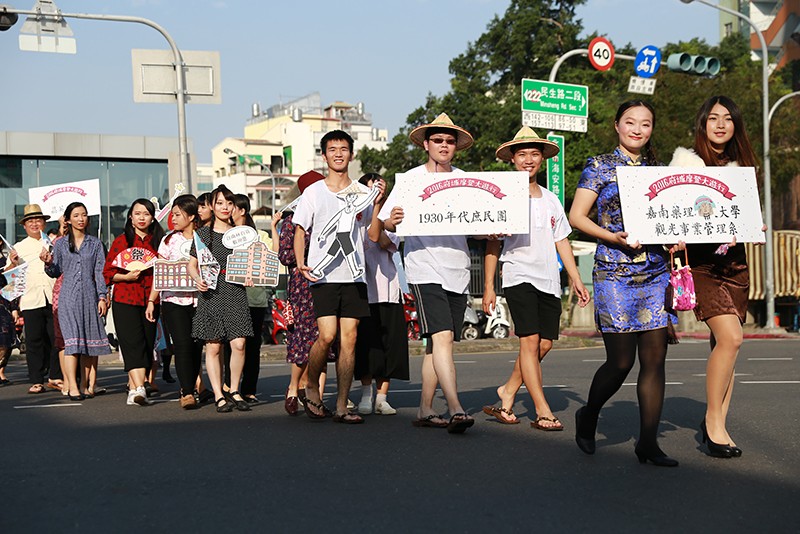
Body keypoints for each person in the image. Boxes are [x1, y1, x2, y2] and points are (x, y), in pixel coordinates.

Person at [568, 100, 679, 467]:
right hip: (614, 271)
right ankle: (589, 414)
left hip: (655, 271)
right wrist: (611, 237)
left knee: (655, 361)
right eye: (630, 122)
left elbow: (668, 219)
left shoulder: (659, 171)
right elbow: (577, 216)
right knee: (620, 362)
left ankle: (648, 443)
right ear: (617, 125)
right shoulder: (599, 166)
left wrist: (675, 238)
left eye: (645, 124)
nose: (637, 129)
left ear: (651, 129)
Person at [481, 127, 590, 429]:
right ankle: (543, 410)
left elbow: (562, 241)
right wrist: (489, 286)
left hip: (548, 278)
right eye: (522, 154)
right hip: (517, 273)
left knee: (544, 345)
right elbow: (492, 243)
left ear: (542, 158)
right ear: (512, 159)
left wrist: (576, 279)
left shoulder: (552, 200)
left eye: (534, 154)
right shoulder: (502, 198)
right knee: (528, 342)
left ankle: (507, 392)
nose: (528, 159)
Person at [669, 95, 758, 459]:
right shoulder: (684, 162)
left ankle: (719, 422)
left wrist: (753, 224)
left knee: (725, 347)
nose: (720, 124)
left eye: (728, 119)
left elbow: (746, 212)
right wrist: (674, 237)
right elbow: (666, 211)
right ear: (702, 123)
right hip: (703, 265)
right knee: (732, 339)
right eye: (713, 118)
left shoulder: (742, 167)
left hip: (735, 264)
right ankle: (713, 423)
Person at [379, 112, 476, 433]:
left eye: (450, 141)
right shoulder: (409, 181)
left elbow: (483, 222)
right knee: (443, 337)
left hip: (459, 270)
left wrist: (495, 229)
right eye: (438, 140)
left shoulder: (468, 181)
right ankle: (456, 408)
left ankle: (424, 407)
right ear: (426, 144)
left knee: (437, 344)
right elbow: (384, 230)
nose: (444, 145)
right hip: (424, 269)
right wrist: (390, 222)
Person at [292, 130, 384, 424]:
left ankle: (343, 405)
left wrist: (379, 205)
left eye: (344, 149)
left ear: (351, 155)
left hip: (355, 276)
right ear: (324, 155)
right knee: (327, 336)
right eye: (333, 149)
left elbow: (372, 232)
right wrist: (300, 262)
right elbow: (300, 230)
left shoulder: (361, 192)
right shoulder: (314, 192)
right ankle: (310, 385)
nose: (339, 154)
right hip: (323, 275)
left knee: (350, 339)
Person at [187, 184, 254, 413]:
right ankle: (218, 394)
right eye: (220, 203)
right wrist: (197, 279)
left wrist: (251, 275)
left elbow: (252, 262)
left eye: (229, 202)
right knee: (213, 347)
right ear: (212, 207)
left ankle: (234, 389)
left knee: (239, 343)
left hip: (235, 292)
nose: (225, 207)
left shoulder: (242, 232)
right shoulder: (203, 234)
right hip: (211, 293)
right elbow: (192, 264)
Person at [278, 171, 334, 416]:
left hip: (329, 281)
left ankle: (317, 399)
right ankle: (293, 388)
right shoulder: (292, 220)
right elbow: (285, 256)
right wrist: (308, 250)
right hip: (302, 285)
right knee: (303, 338)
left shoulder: (333, 214)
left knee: (325, 340)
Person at [41, 202, 110, 400]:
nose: (81, 219)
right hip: (67, 299)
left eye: (84, 215)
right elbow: (55, 271)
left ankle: (84, 384)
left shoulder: (95, 244)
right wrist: (47, 263)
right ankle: (71, 386)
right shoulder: (61, 244)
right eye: (77, 215)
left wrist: (102, 297)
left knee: (88, 344)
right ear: (68, 219)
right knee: (71, 343)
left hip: (90, 297)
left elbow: (99, 273)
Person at [355, 173, 409, 416]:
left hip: (387, 289)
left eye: (378, 190)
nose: (374, 193)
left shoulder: (392, 218)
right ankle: (365, 394)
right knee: (366, 346)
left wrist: (378, 209)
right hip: (362, 290)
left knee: (389, 346)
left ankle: (382, 397)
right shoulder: (352, 219)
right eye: (369, 189)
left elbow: (379, 239)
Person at [145, 194, 206, 410]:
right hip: (172, 300)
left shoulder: (204, 238)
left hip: (200, 301)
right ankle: (187, 391)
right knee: (181, 345)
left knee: (197, 345)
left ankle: (196, 385)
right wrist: (152, 300)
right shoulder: (168, 241)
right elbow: (158, 273)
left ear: (191, 216)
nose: (173, 218)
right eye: (173, 214)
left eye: (178, 214)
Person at [103, 198, 165, 406]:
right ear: (130, 216)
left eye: (146, 214)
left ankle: (135, 387)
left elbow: (163, 273)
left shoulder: (159, 242)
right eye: (137, 213)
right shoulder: (121, 241)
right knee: (132, 344)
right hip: (125, 298)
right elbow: (108, 273)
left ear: (152, 218)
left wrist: (152, 300)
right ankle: (138, 388)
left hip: (150, 300)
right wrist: (126, 277)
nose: (141, 218)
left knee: (148, 344)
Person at [224, 193, 281, 404]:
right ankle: (229, 387)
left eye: (231, 206)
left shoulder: (259, 236)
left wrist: (274, 227)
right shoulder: (224, 235)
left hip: (255, 298)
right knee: (232, 345)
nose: (227, 209)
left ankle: (249, 389)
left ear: (241, 210)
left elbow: (274, 255)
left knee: (252, 345)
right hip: (231, 297)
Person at [6, 204, 59, 394]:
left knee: (56, 339)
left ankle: (55, 376)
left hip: (54, 297)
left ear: (44, 222)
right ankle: (37, 380)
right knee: (34, 340)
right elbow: (8, 277)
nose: (35, 224)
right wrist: (12, 262)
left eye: (38, 220)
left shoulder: (55, 242)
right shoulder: (18, 248)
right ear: (24, 225)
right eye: (30, 221)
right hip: (30, 298)